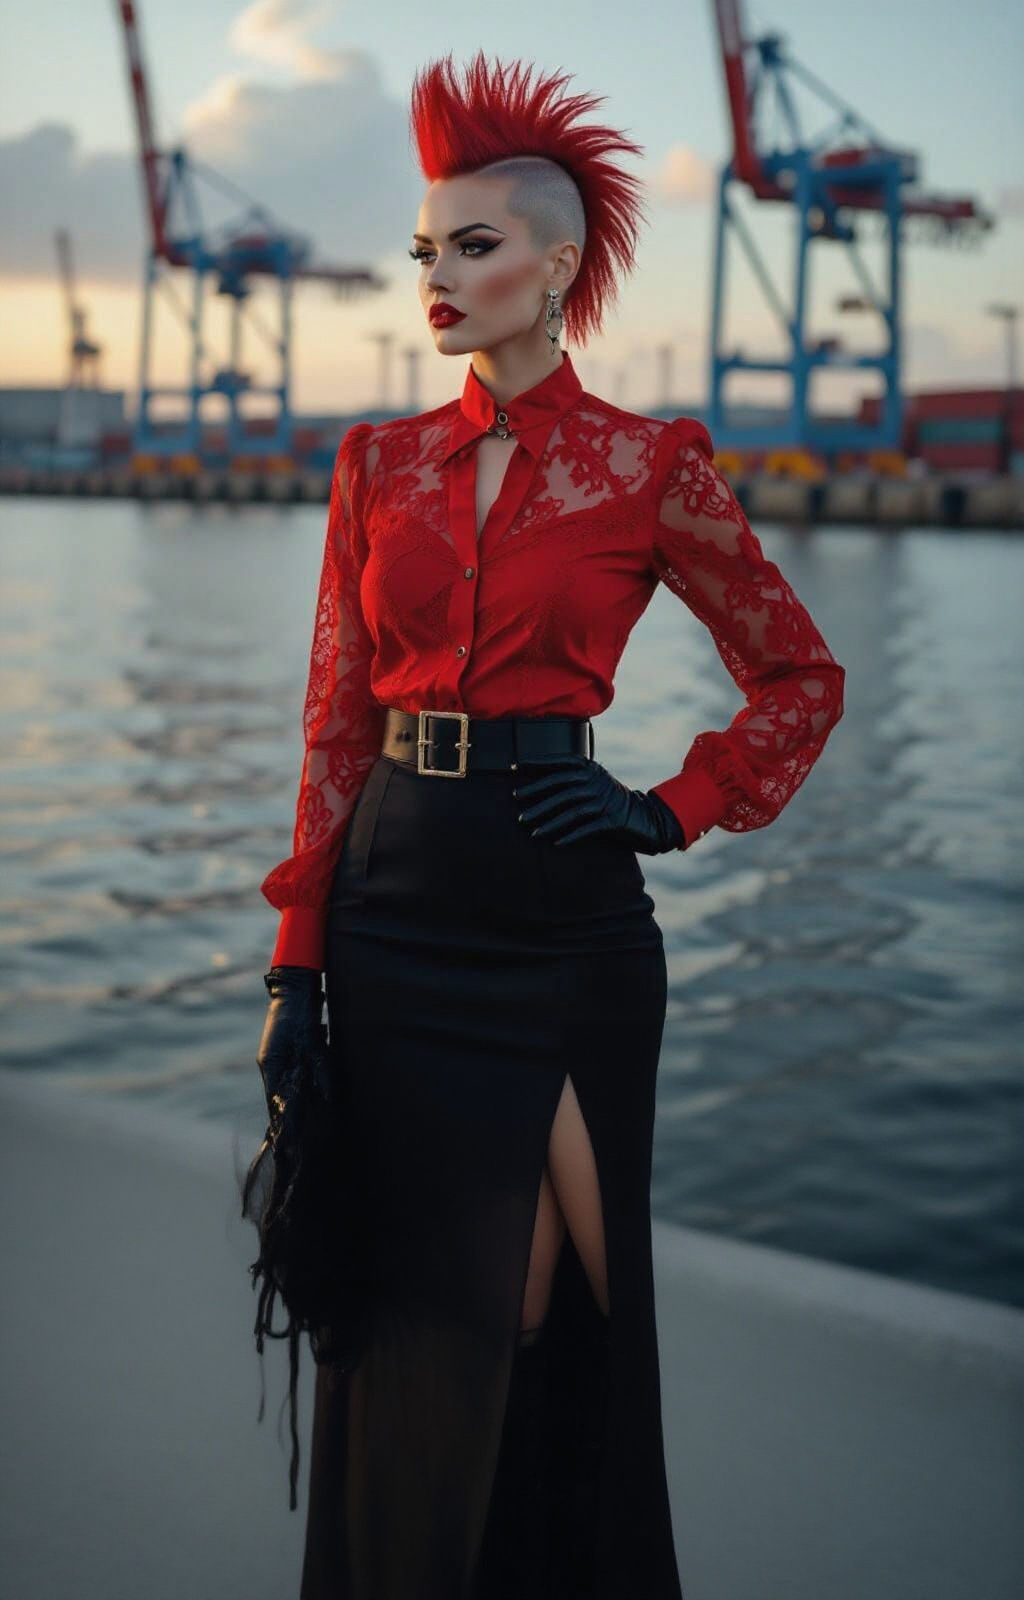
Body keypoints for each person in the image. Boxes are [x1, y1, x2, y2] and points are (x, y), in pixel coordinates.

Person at [242, 49, 846, 1600]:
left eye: (474, 246)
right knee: (422, 1315)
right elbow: (332, 721)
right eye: (423, 249)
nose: (436, 277)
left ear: (560, 268)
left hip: (564, 921)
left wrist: (670, 804)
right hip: (390, 902)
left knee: (556, 1303)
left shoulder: (650, 467)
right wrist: (293, 966)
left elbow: (798, 674)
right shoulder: (374, 465)